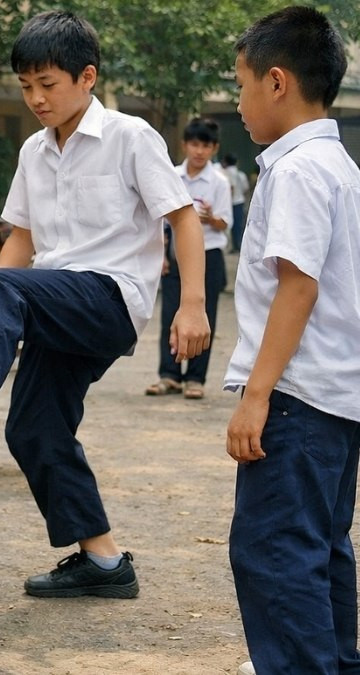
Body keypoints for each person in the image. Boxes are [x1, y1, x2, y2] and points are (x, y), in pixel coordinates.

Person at [0, 11, 211, 597]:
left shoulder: (131, 137)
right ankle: (106, 564)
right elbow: (24, 240)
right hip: (54, 304)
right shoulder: (35, 150)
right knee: (36, 429)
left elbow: (183, 219)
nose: (35, 97)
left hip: (109, 298)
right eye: (25, 85)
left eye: (47, 84)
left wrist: (191, 305)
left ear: (87, 77)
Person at [223, 8, 360, 673]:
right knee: (322, 547)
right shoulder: (339, 166)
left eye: (242, 84)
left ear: (276, 82)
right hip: (334, 400)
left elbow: (297, 288)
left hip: (298, 399)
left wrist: (257, 394)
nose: (238, 103)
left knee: (275, 551)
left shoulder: (300, 170)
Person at [145, 118, 232, 400]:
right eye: (194, 144)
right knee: (170, 312)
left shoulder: (219, 182)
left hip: (209, 255)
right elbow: (159, 220)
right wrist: (161, 254)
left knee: (204, 316)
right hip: (175, 253)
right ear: (184, 145)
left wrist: (210, 218)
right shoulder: (171, 175)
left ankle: (195, 377)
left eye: (206, 146)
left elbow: (225, 223)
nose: (199, 151)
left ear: (214, 149)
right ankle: (169, 374)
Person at [221, 152, 251, 253]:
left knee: (232, 225)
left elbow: (231, 188)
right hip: (240, 201)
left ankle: (234, 246)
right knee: (239, 224)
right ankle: (238, 245)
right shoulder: (241, 174)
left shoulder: (225, 172)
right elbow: (246, 188)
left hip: (231, 202)